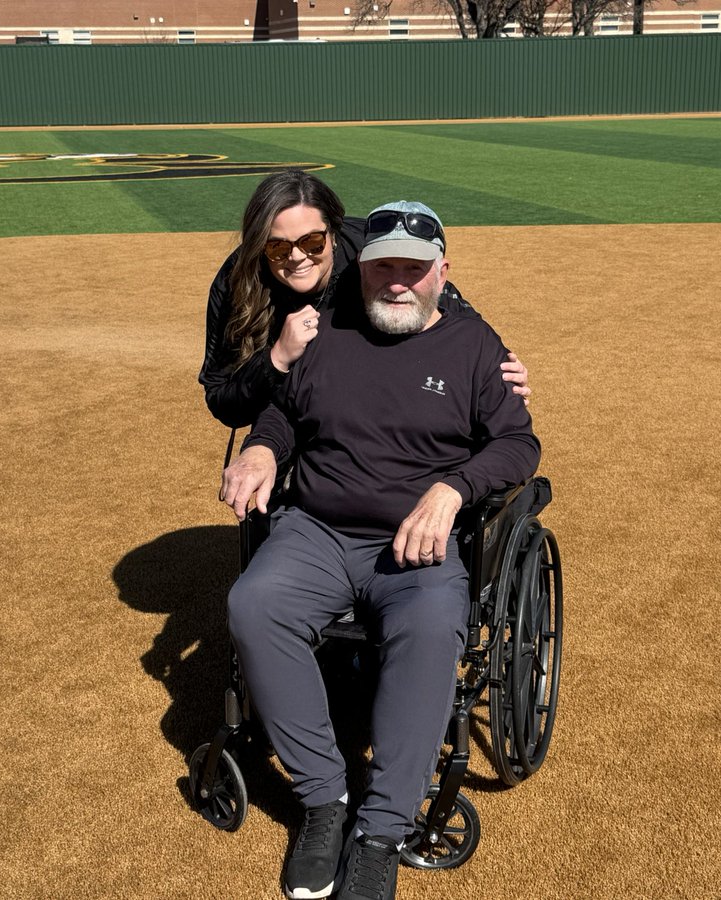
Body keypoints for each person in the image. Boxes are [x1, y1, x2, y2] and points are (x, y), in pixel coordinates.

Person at [219, 201, 540, 900]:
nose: (397, 282)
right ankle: (326, 801)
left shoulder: (475, 348)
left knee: (429, 629)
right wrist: (264, 451)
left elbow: (518, 444)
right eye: (383, 266)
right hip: (318, 531)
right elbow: (280, 411)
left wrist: (454, 489)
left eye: (414, 269)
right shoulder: (325, 332)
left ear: (441, 273)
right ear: (361, 269)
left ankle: (381, 831)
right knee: (255, 603)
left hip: (417, 546)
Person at [198, 170, 531, 430]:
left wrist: (496, 367)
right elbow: (223, 402)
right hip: (286, 406)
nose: (297, 257)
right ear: (260, 246)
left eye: (312, 242)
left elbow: (445, 304)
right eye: (278, 247)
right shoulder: (240, 281)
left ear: (334, 233)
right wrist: (276, 360)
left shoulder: (372, 258)